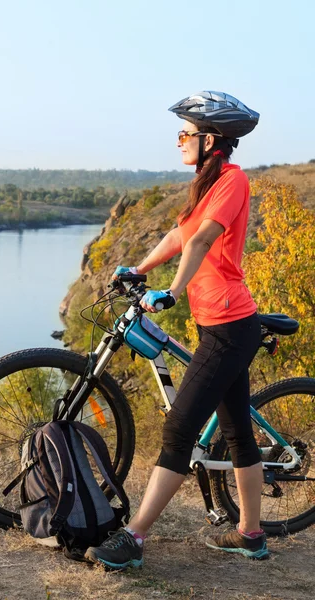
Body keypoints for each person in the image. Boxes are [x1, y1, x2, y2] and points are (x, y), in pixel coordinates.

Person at [84, 91, 269, 570]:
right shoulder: (205, 184)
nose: (179, 140)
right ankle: (251, 534)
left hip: (230, 327)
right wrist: (141, 269)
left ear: (211, 140)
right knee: (238, 434)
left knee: (179, 428)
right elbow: (180, 235)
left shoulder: (232, 181)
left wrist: (172, 290)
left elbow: (205, 239)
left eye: (186, 133)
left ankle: (135, 537)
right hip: (219, 325)